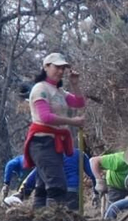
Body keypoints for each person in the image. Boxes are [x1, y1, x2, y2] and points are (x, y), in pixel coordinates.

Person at [22, 53, 87, 209]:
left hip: (54, 143)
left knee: (43, 185)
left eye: (63, 68)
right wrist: (72, 122)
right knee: (57, 185)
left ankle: (39, 220)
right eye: (57, 67)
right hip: (42, 142)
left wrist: (75, 84)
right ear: (46, 67)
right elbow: (45, 117)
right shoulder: (40, 89)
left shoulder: (59, 92)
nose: (60, 71)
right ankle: (56, 220)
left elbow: (79, 102)